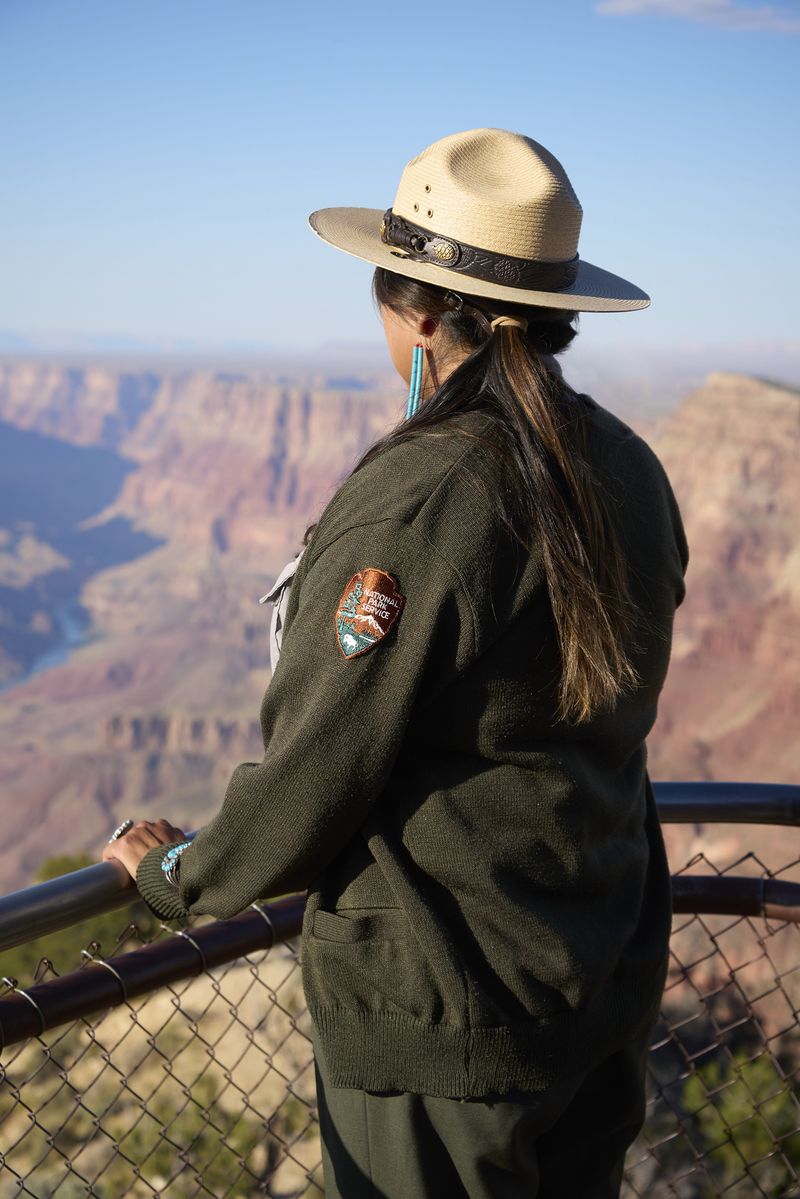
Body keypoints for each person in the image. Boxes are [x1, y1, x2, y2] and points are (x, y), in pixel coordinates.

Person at [101, 127, 689, 1198]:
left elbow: (319, 761)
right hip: (595, 976)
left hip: (449, 1020)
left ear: (414, 308)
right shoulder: (626, 467)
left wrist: (176, 873)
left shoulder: (424, 492)